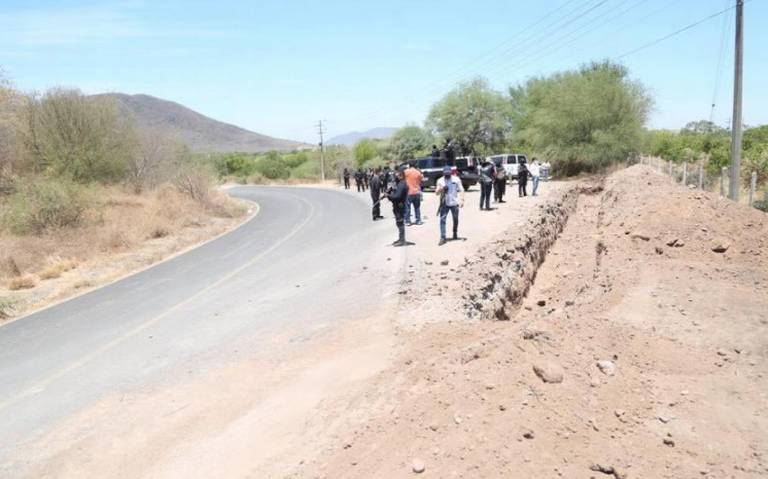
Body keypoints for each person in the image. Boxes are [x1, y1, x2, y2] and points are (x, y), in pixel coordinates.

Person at [436, 165, 465, 246]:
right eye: (445, 173)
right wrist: (441, 189)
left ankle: (455, 232)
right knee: (442, 220)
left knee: (455, 219)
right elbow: (436, 193)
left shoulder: (456, 179)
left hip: (454, 203)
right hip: (444, 203)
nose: (447, 175)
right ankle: (443, 237)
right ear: (443, 173)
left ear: (451, 172)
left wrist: (462, 200)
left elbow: (462, 189)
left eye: (448, 173)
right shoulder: (440, 180)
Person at [384, 166, 409, 246]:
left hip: (400, 206)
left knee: (400, 222)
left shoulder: (402, 184)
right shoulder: (399, 183)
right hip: (397, 206)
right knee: (398, 223)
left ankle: (402, 240)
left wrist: (388, 195)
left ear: (401, 175)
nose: (396, 176)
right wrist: (390, 191)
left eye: (397, 175)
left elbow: (397, 197)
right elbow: (395, 192)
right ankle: (400, 239)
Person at [404, 161, 424, 226]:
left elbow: (400, 177)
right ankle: (418, 220)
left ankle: (408, 221)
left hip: (409, 192)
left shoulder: (406, 172)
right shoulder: (418, 172)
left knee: (407, 207)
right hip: (417, 192)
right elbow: (422, 180)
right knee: (417, 207)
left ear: (409, 165)